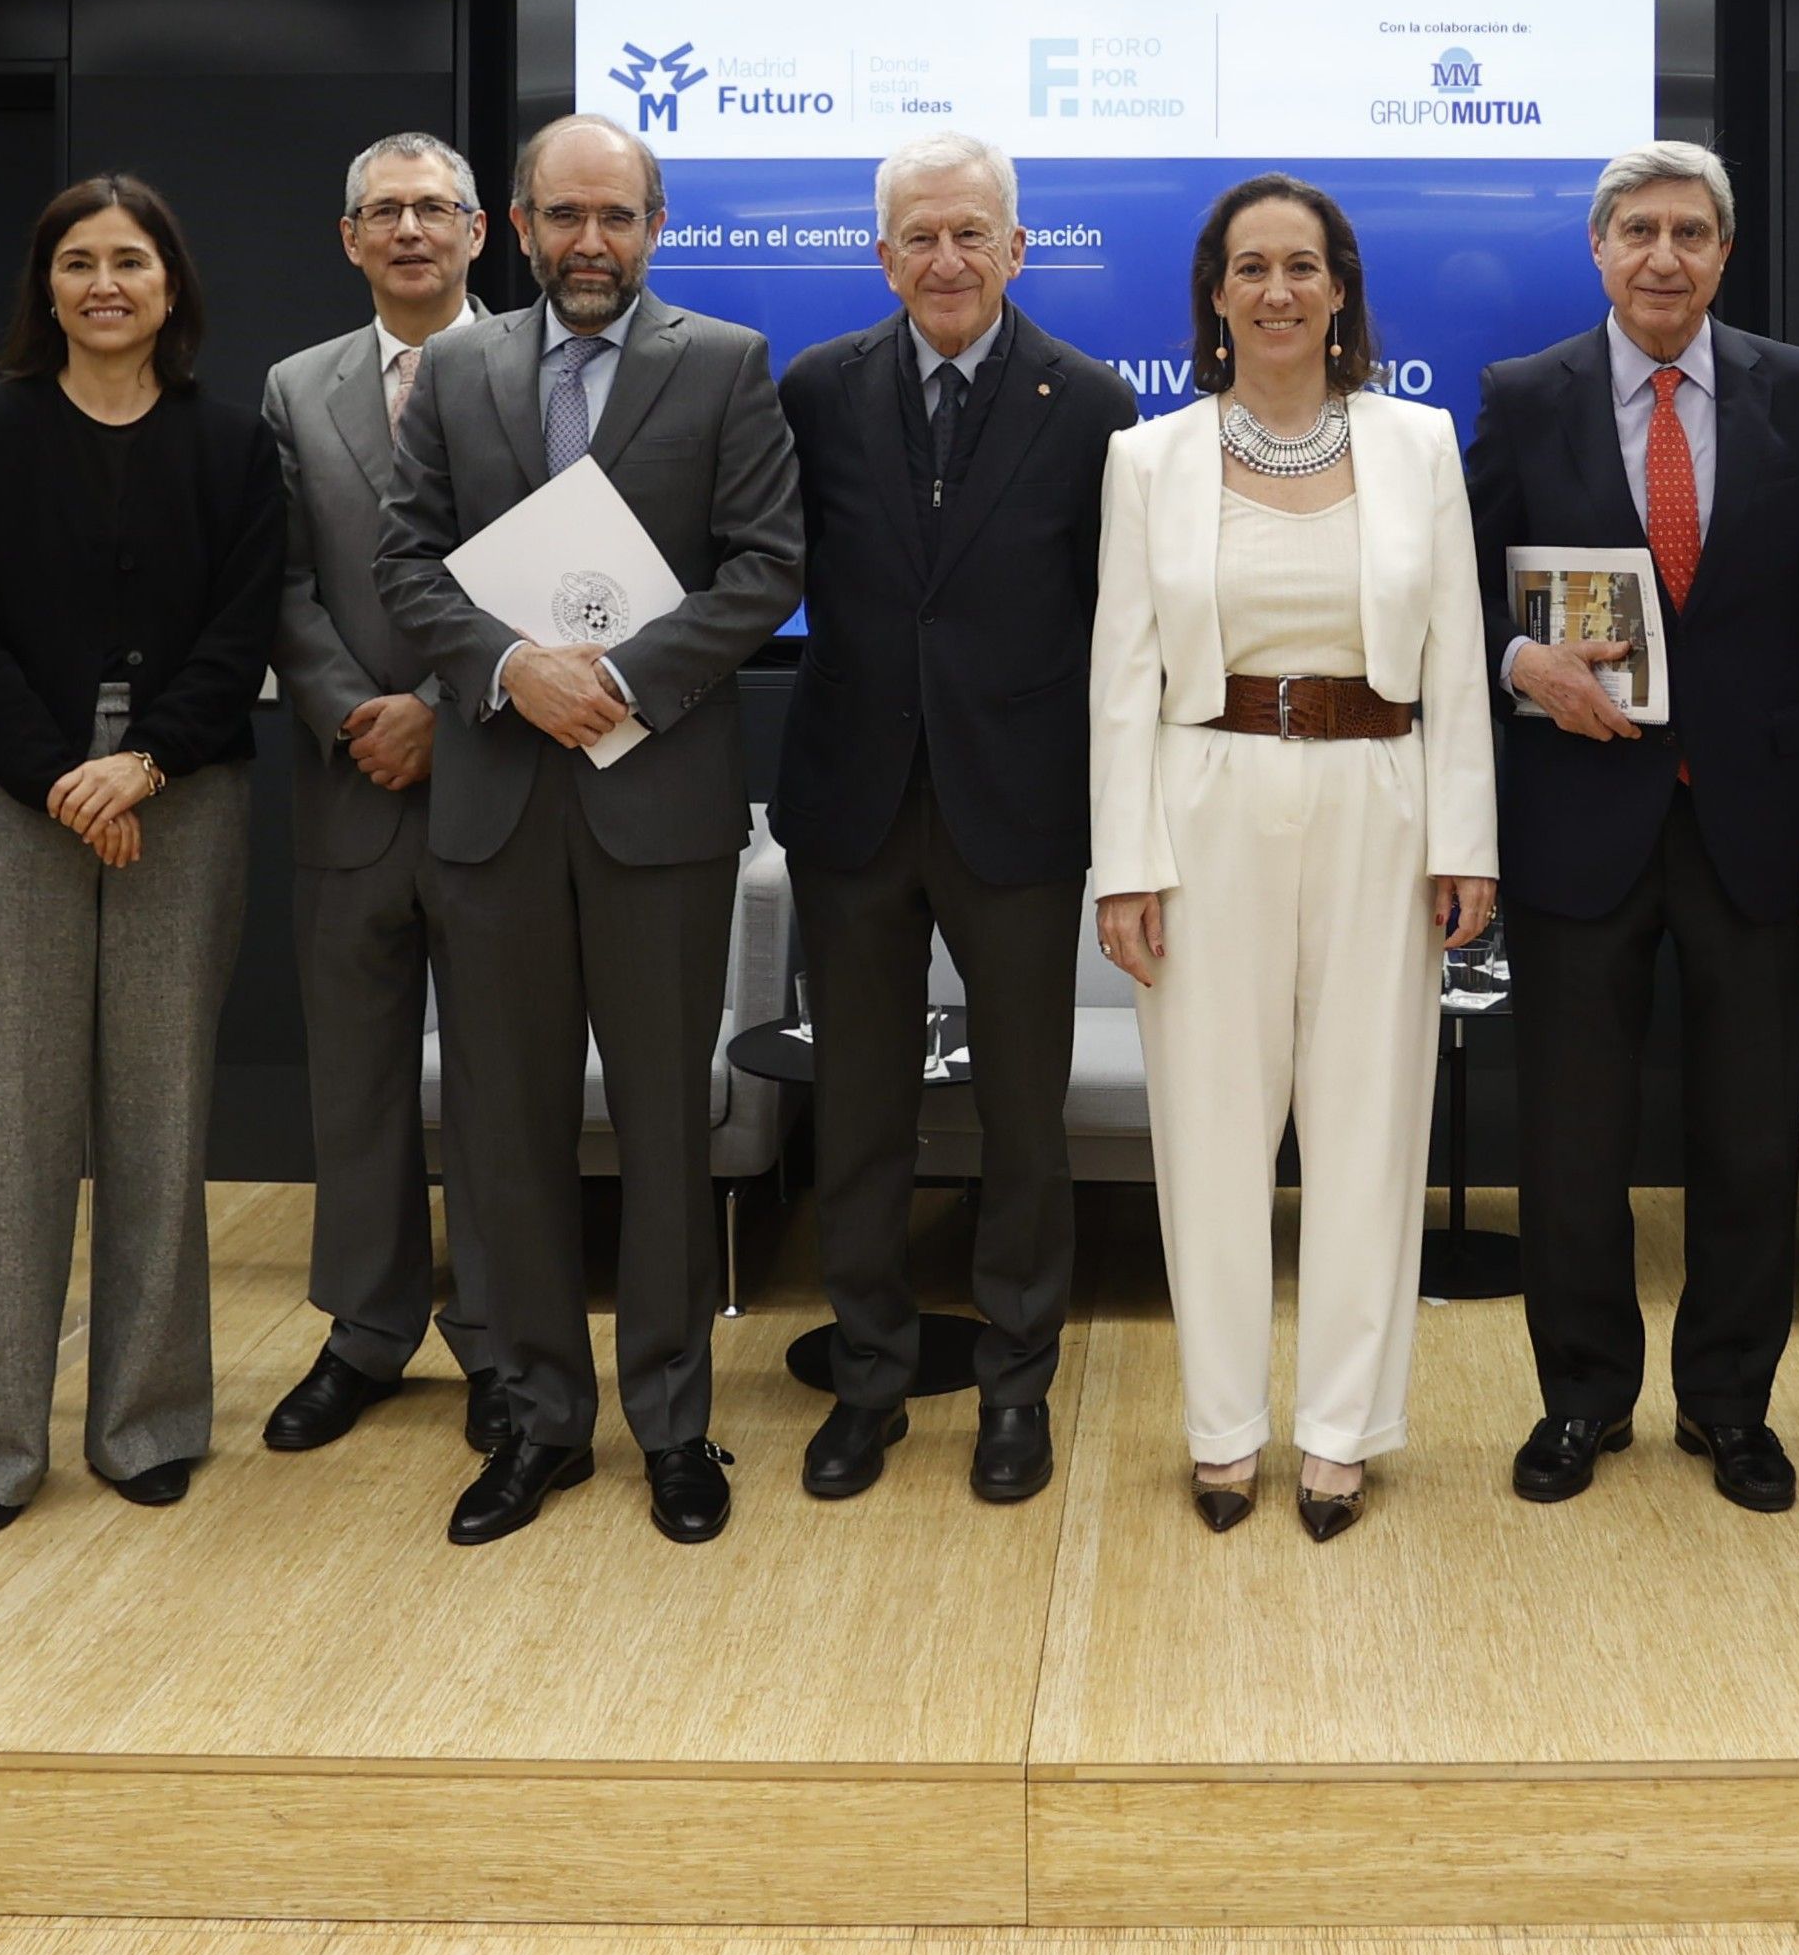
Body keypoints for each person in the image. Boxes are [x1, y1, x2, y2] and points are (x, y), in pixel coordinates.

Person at [379, 113, 804, 1547]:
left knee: (668, 1128)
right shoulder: (458, 369)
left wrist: (621, 678)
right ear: (518, 224)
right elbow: (405, 561)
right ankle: (541, 1420)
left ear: (655, 225)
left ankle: (674, 1425)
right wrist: (513, 668)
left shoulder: (726, 363)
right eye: (564, 215)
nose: (590, 241)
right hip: (495, 808)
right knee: (506, 1131)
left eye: (616, 215)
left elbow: (767, 566)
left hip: (659, 809)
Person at [1467, 143, 1799, 1514]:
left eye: (1689, 232)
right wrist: (1520, 664)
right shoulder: (1525, 395)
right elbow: (1453, 592)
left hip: (1756, 827)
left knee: (1751, 1141)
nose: (1663, 254)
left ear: (1723, 252)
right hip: (1577, 823)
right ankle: (1582, 1397)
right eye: (1637, 229)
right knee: (1572, 1143)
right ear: (1598, 248)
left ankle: (1730, 1404)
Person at [1092, 175, 1497, 1540]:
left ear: (1340, 292)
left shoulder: (1418, 444)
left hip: (1382, 795)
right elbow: (1120, 680)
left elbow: (1455, 657)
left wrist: (1466, 840)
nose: (1278, 290)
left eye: (1303, 266)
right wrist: (1124, 864)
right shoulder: (1148, 459)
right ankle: (1222, 1430)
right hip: (1204, 798)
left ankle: (1338, 1431)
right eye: (1251, 267)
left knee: (1369, 1124)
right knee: (1209, 1127)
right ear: (1216, 295)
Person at [0, 175, 285, 1534]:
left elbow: (244, 628)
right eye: (78, 262)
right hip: (15, 796)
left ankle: (147, 1423)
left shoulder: (233, 443)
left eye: (130, 260)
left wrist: (146, 761)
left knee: (159, 1115)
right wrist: (63, 778)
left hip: (181, 795)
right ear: (47, 287)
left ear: (171, 284)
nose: (105, 284)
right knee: (2, 1123)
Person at [772, 131, 1136, 1505]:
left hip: (1020, 806)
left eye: (971, 232)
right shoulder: (817, 389)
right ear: (882, 255)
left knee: (1024, 1120)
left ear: (1017, 247)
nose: (946, 259)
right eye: (919, 236)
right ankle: (868, 1380)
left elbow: (1119, 619)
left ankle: (1016, 1389)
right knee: (859, 1111)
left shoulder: (1091, 402)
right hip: (853, 805)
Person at [257, 136, 502, 1459]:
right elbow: (283, 582)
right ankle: (365, 1330)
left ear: (478, 231)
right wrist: (360, 713)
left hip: (500, 781)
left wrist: (447, 713)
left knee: (501, 1084)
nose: (410, 229)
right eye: (384, 211)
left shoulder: (539, 371)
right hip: (349, 784)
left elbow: (560, 578)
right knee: (355, 1081)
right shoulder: (297, 389)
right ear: (349, 239)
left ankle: (503, 1336)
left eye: (433, 208)